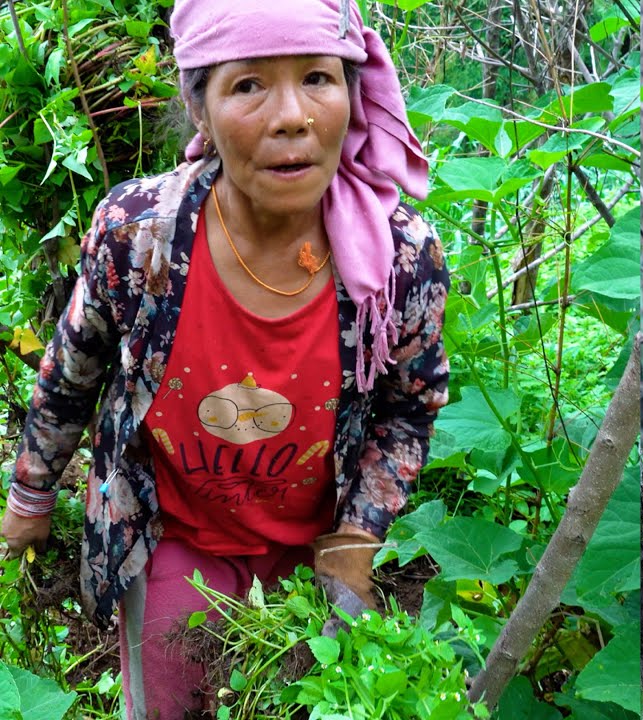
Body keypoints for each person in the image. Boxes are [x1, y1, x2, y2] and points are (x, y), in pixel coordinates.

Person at [0, 0, 449, 716]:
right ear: (199, 107)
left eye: (318, 78)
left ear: (353, 90)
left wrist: (357, 536)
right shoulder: (138, 237)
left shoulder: (397, 256)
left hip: (312, 548)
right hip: (175, 536)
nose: (292, 116)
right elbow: (72, 372)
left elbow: (409, 409)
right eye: (248, 85)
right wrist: (31, 496)